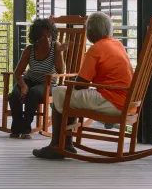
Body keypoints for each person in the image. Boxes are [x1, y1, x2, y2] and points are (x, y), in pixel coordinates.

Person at [33, 12, 132, 160]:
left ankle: (56, 146)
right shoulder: (117, 44)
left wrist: (71, 84)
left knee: (60, 92)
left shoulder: (96, 49)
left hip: (112, 100)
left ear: (90, 32)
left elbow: (82, 83)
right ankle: (66, 145)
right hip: (127, 101)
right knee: (68, 95)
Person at [7, 18, 66, 139]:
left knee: (33, 93)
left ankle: (25, 129)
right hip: (29, 80)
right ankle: (16, 128)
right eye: (43, 36)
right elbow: (17, 73)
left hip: (48, 83)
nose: (48, 39)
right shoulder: (30, 49)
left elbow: (61, 71)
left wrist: (59, 53)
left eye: (49, 36)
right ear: (37, 38)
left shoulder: (56, 47)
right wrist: (23, 85)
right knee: (14, 95)